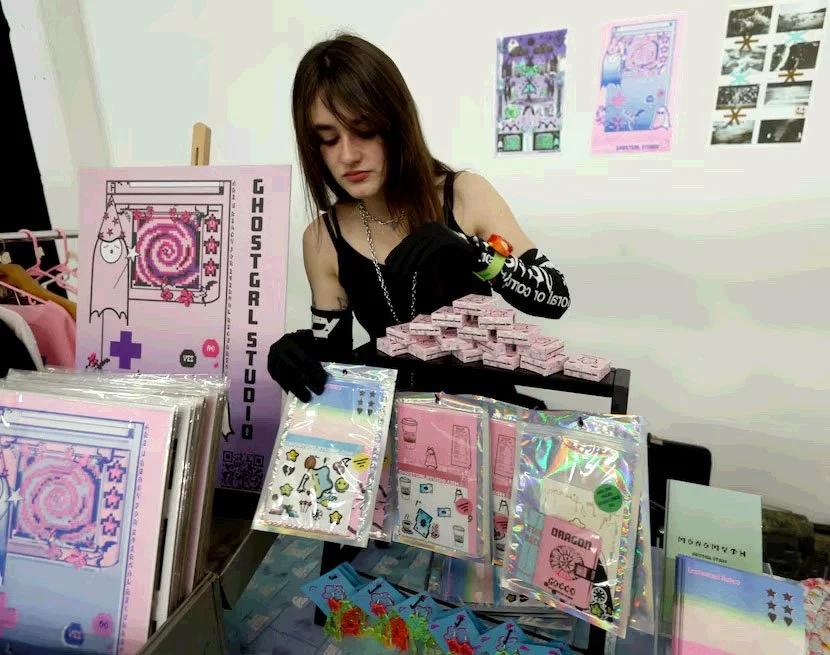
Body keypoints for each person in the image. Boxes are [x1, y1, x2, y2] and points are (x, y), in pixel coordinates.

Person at [268, 33, 570, 403]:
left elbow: (555, 296)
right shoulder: (323, 238)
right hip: (398, 425)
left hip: (485, 421)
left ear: (396, 123)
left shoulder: (464, 195)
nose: (348, 155)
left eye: (364, 130)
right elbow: (336, 363)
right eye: (328, 139)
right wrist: (298, 350)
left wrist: (476, 254)